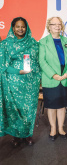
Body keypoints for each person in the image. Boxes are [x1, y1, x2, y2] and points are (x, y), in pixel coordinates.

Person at [0, 17, 41, 146]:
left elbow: (38, 61)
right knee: (15, 110)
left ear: (26, 27)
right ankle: (16, 135)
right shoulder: (6, 44)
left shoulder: (33, 43)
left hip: (30, 82)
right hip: (13, 82)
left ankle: (28, 135)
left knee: (29, 109)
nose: (20, 29)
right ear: (13, 28)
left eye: (23, 26)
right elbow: (2, 65)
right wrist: (18, 72)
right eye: (17, 26)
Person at [39, 17, 67, 141]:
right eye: (54, 24)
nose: (57, 26)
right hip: (51, 78)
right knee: (52, 105)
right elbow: (42, 61)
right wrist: (54, 75)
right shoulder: (43, 42)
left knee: (61, 105)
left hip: (64, 77)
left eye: (59, 24)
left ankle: (61, 128)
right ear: (49, 26)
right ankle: (53, 128)